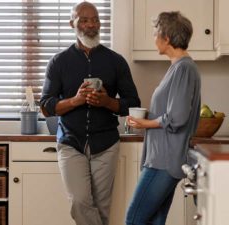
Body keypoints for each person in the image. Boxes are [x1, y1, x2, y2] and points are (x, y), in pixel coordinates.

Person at [40, 1, 140, 225]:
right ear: (72, 24)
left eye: (95, 20)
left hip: (106, 144)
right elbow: (46, 106)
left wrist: (106, 102)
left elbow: (132, 102)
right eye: (84, 20)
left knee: (102, 209)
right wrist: (76, 100)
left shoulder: (116, 61)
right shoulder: (58, 62)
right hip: (70, 143)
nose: (91, 25)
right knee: (79, 202)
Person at [125, 11, 201, 225]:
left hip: (164, 160)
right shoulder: (178, 67)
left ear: (166, 38)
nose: (153, 38)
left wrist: (144, 123)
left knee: (134, 219)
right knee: (154, 222)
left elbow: (177, 117)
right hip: (164, 157)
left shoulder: (183, 69)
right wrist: (148, 119)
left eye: (155, 33)